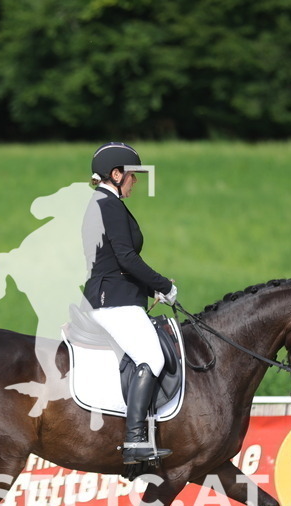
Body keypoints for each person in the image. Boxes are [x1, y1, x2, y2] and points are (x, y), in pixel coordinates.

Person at [82, 142, 177, 465]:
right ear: (116, 174)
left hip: (117, 294)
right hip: (114, 300)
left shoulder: (105, 204)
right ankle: (135, 439)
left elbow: (113, 260)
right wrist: (163, 284)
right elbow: (125, 256)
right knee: (151, 356)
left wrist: (150, 292)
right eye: (132, 175)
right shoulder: (108, 206)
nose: (135, 180)